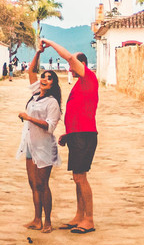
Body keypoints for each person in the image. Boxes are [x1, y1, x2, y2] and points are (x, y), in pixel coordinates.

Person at [40, 39, 98, 234]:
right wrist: (68, 133)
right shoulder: (80, 85)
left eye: (75, 65)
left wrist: (48, 42)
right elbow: (80, 110)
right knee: (77, 177)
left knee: (81, 177)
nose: (71, 67)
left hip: (85, 135)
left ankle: (89, 219)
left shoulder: (89, 77)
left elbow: (68, 56)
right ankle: (79, 215)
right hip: (77, 134)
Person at [16, 49, 62, 232]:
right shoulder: (36, 94)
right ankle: (36, 219)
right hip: (29, 145)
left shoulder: (53, 103)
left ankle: (48, 221)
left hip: (43, 147)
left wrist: (29, 118)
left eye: (49, 78)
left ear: (53, 84)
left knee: (43, 184)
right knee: (33, 184)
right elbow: (31, 71)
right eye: (44, 76)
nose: (44, 79)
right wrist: (37, 52)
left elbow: (50, 126)